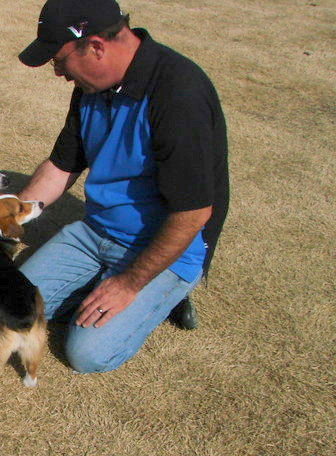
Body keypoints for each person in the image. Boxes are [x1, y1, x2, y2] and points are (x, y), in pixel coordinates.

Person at [17, 0, 228, 373]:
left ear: (96, 46)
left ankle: (165, 296)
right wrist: (5, 218)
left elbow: (193, 212)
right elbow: (61, 166)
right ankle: (100, 287)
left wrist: (129, 283)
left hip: (165, 249)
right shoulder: (91, 86)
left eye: (59, 61)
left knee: (87, 355)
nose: (58, 73)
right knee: (8, 307)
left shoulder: (179, 93)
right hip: (94, 231)